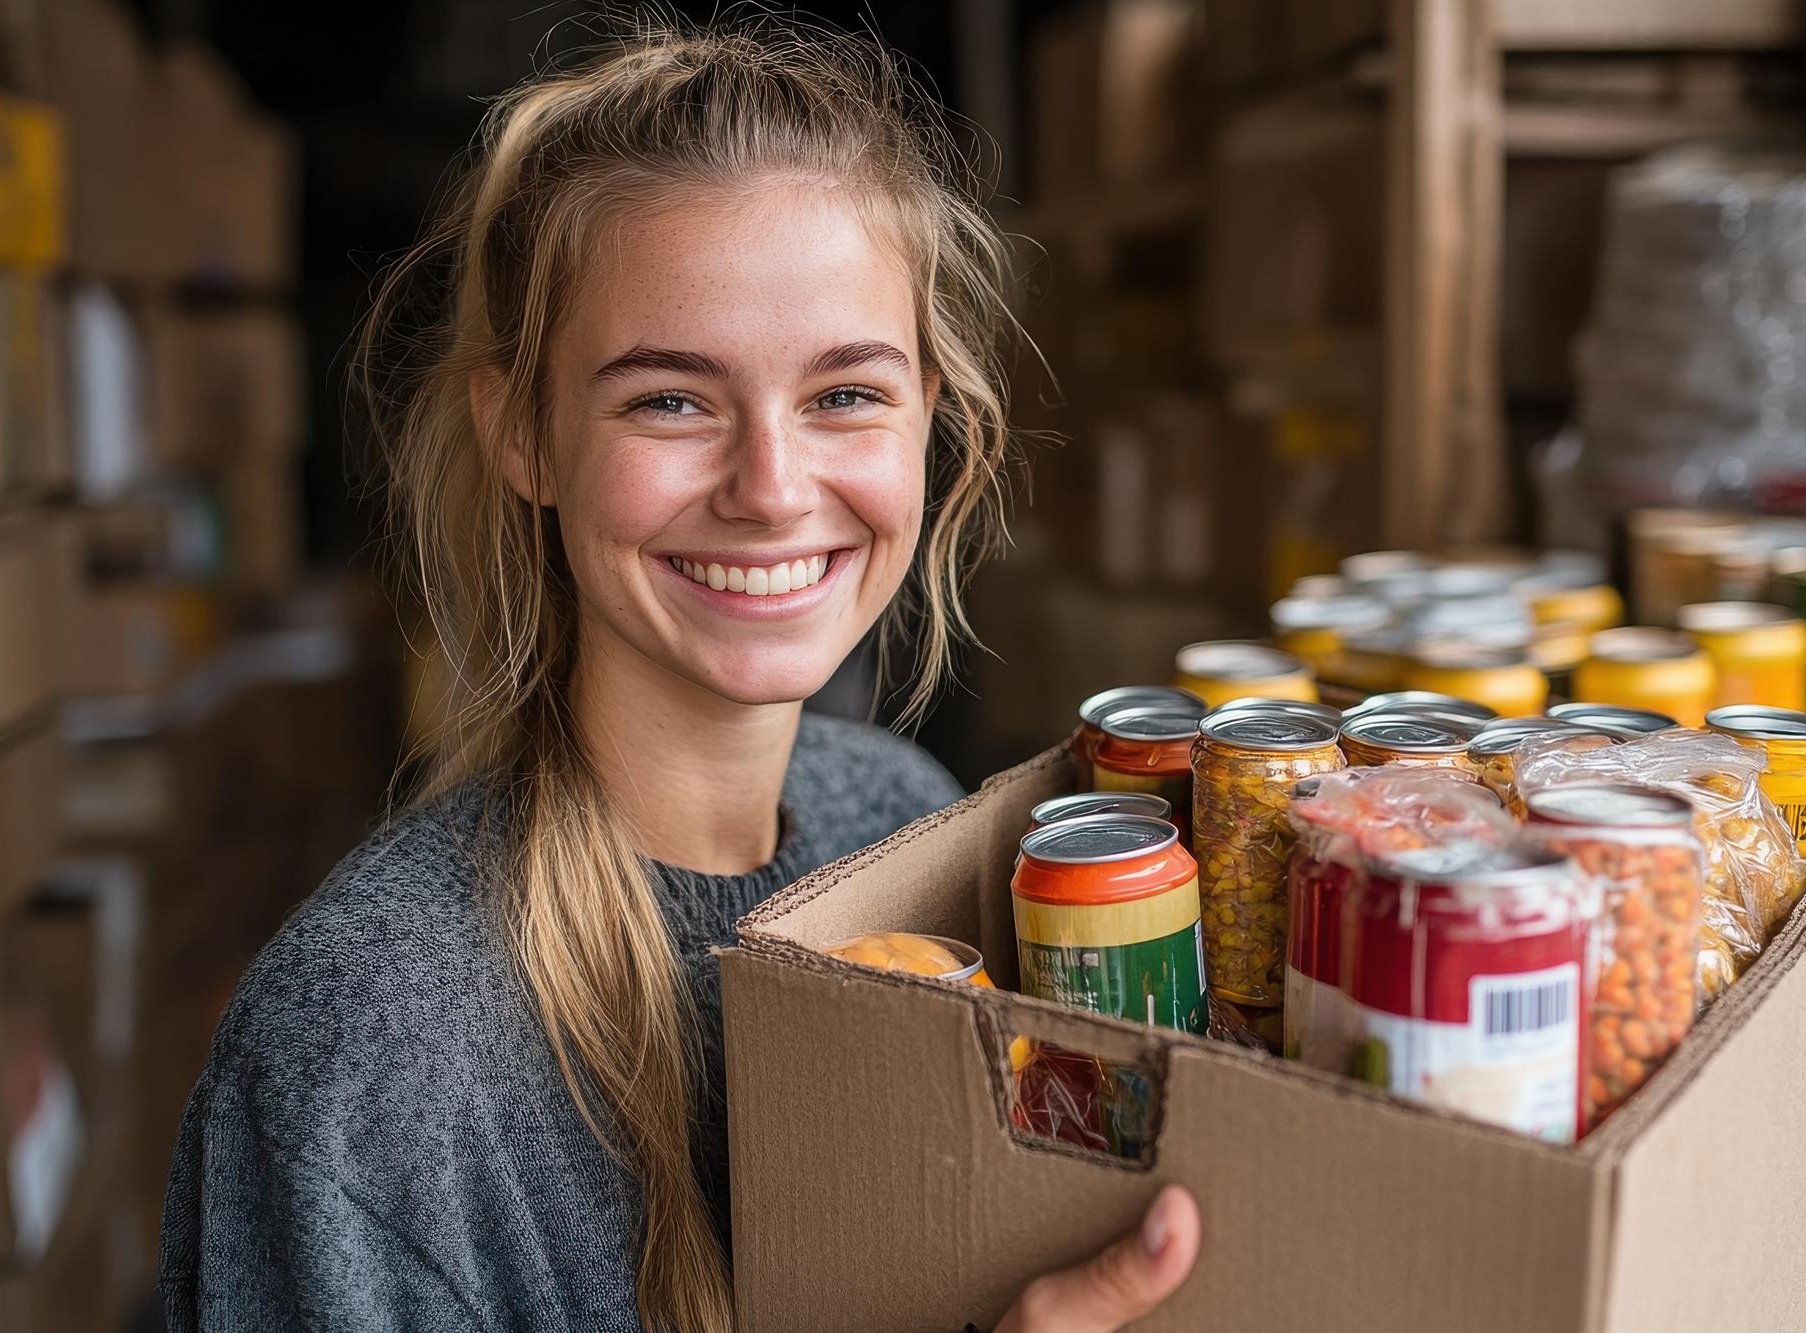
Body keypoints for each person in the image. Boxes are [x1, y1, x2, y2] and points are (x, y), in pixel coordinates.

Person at [159, 20, 1200, 1333]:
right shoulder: (365, 1058)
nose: (772, 489)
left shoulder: (899, 822)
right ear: (524, 432)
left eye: (845, 396)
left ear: (933, 413)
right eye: (670, 400)